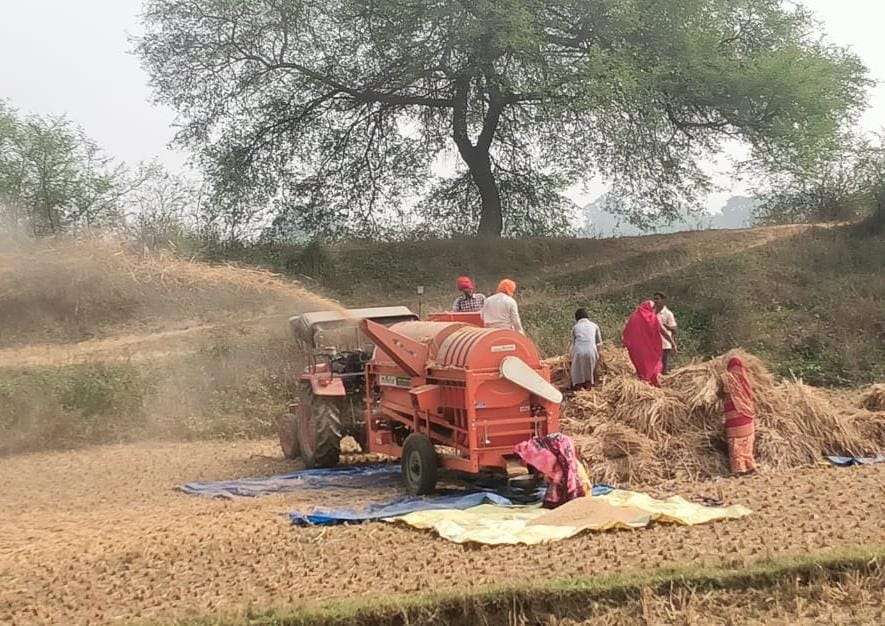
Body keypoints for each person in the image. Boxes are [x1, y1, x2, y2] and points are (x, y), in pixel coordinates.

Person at [721, 356, 758, 475]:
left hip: (732, 418)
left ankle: (739, 468)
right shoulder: (745, 380)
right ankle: (750, 465)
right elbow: (751, 396)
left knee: (735, 442)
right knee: (746, 442)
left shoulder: (726, 379)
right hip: (746, 416)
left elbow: (721, 393)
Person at [622, 300, 669, 386]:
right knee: (652, 364)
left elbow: (626, 331)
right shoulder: (653, 318)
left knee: (640, 366)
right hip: (649, 349)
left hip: (635, 349)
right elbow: (663, 331)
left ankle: (644, 381)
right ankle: (652, 383)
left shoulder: (634, 316)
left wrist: (625, 343)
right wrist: (672, 343)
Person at [569, 308, 602, 391]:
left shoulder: (575, 327)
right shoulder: (594, 326)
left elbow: (572, 344)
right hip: (591, 351)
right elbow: (599, 343)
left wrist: (570, 356)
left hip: (578, 352)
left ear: (577, 318)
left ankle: (578, 389)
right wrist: (598, 355)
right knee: (590, 371)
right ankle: (589, 387)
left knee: (577, 372)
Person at [653, 291, 678, 373]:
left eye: (657, 299)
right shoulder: (651, 313)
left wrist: (666, 327)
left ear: (663, 300)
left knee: (663, 369)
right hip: (653, 344)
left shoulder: (668, 314)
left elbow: (675, 330)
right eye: (654, 299)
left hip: (664, 344)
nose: (655, 301)